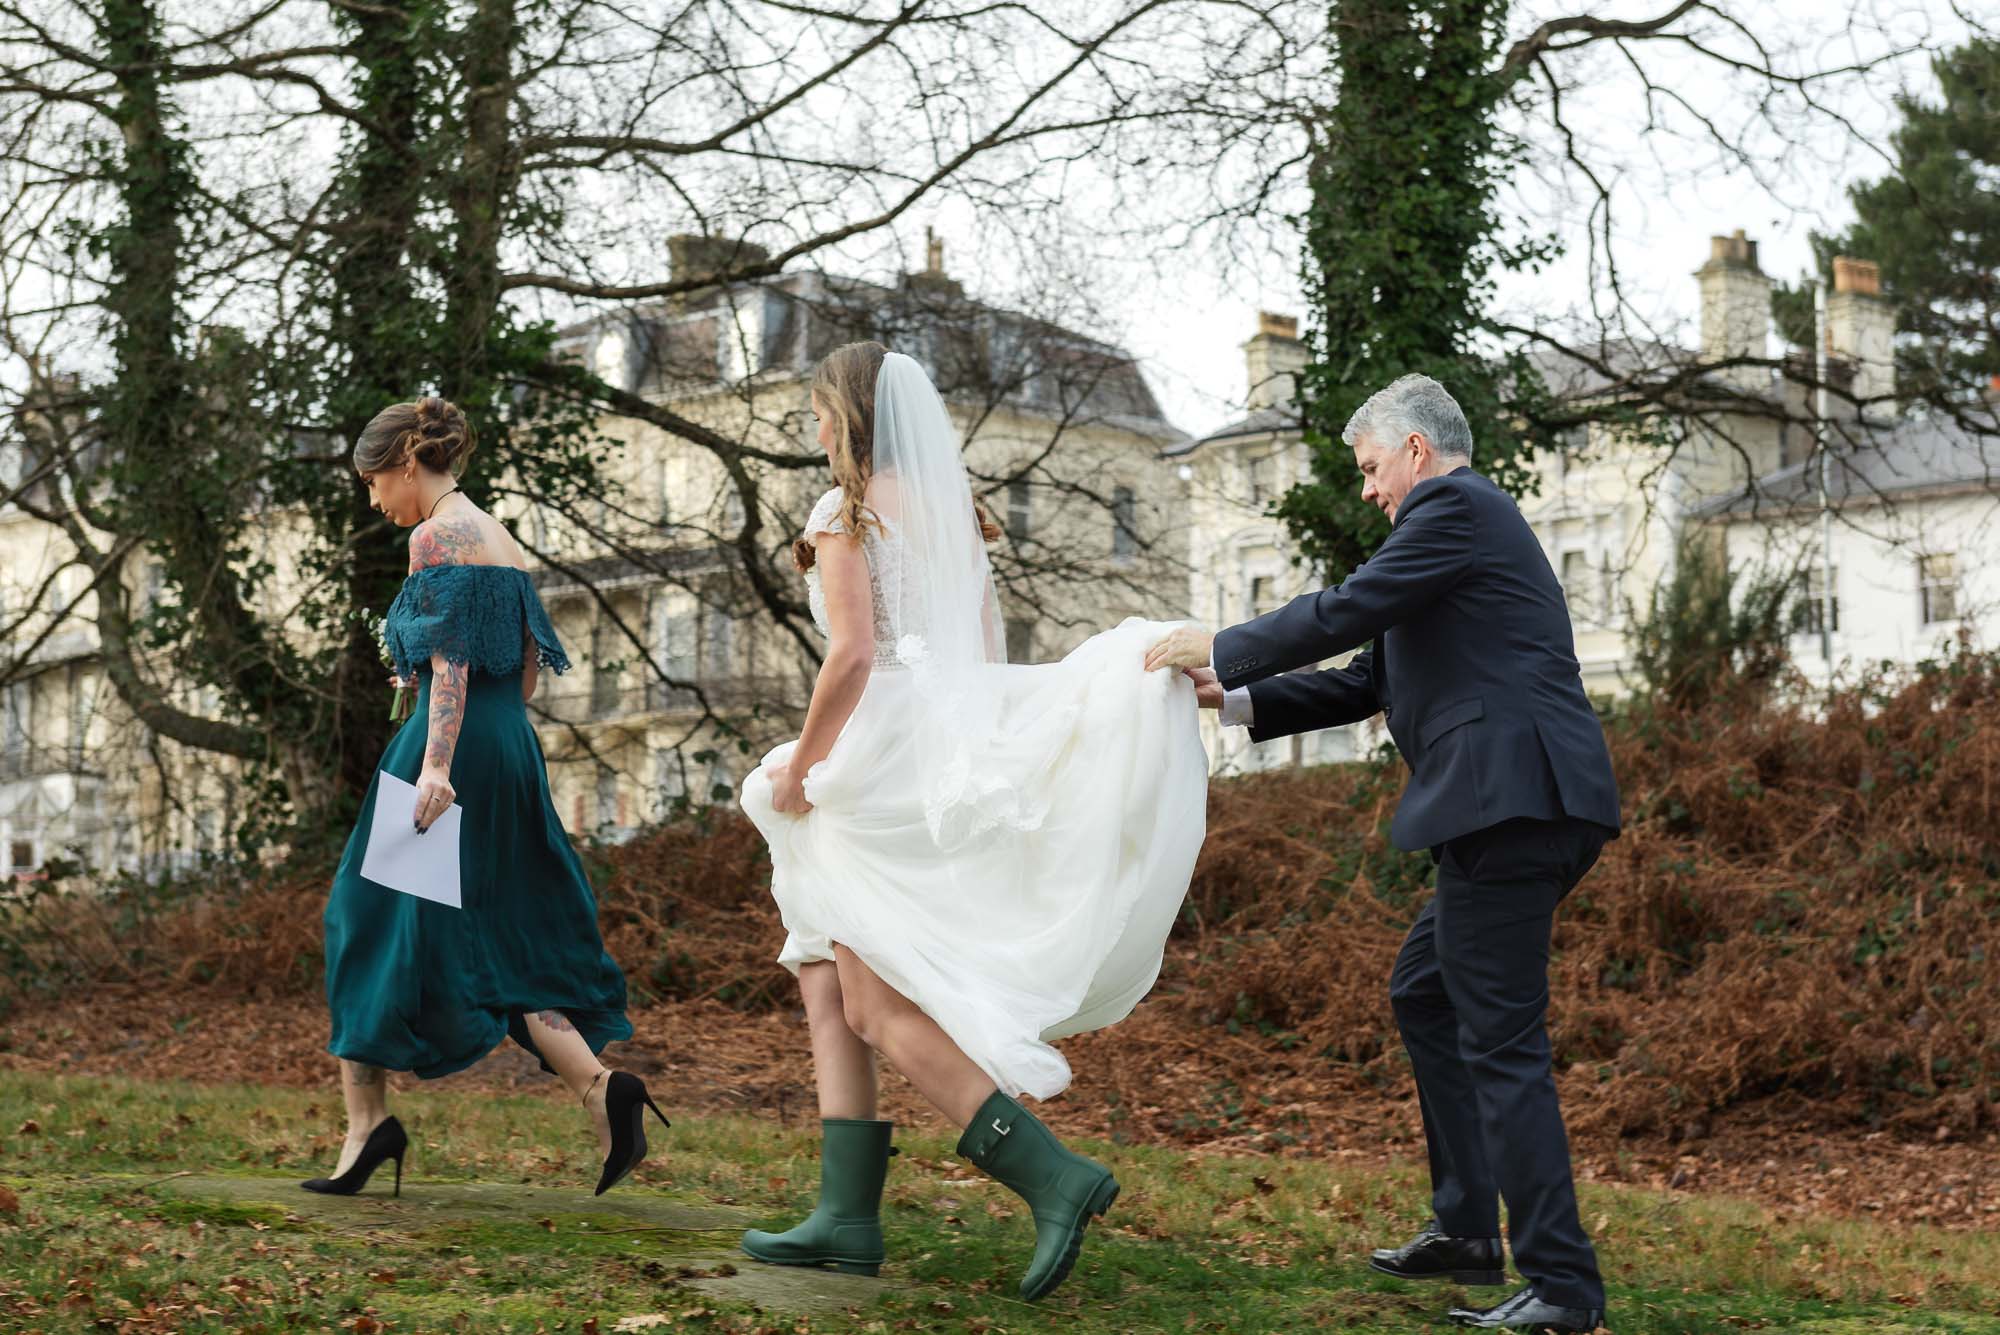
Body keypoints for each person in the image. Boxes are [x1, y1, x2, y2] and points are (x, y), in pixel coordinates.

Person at [1146, 374, 1620, 1333]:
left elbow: (1348, 608)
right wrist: (1230, 694)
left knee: (1502, 1042)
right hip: (1514, 801)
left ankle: (1564, 1289)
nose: (1368, 490)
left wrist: (1225, 639)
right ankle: (1470, 1234)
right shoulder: (1450, 543)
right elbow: (1370, 674)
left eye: (1370, 469)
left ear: (1414, 449)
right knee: (1425, 990)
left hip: (1513, 802)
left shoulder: (1455, 505)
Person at [737, 343, 1208, 1300]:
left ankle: (1052, 1177)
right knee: (825, 975)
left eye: (818, 415)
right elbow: (985, 655)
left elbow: (854, 654)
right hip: (939, 749)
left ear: (846, 418)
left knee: (874, 1002)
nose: (814, 431)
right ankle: (847, 1216)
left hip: (871, 758)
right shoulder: (958, 517)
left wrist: (809, 767)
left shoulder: (843, 511)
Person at [309, 396, 665, 1201]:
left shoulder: (433, 536)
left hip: (449, 754)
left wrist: (435, 765)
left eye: (373, 482)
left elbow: (454, 665)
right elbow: (530, 666)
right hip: (507, 746)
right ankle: (601, 1088)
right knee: (502, 931)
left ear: (405, 461)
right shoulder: (499, 536)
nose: (373, 500)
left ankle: (367, 1125)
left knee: (357, 917)